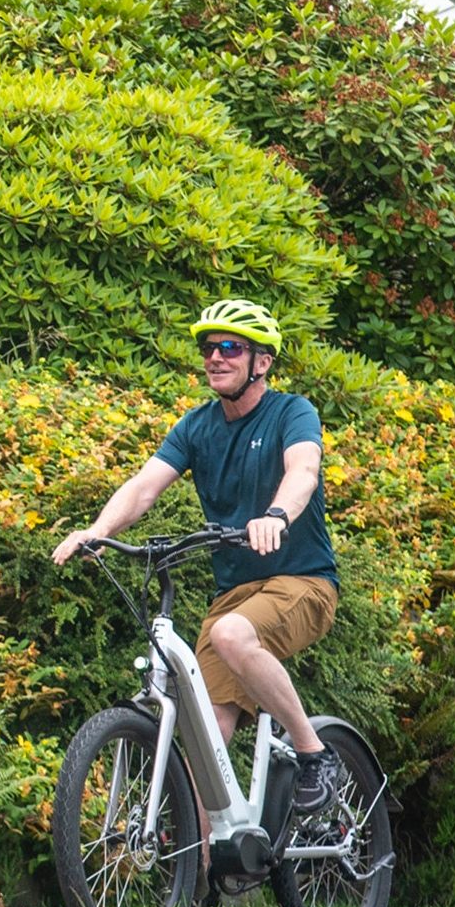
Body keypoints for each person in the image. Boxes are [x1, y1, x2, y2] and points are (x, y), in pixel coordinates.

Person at [50, 299, 342, 812]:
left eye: (231, 347)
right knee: (206, 755)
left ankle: (314, 754)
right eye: (209, 347)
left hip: (301, 583)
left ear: (262, 362)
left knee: (230, 633)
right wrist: (96, 530)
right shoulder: (197, 426)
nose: (215, 357)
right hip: (233, 594)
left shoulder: (291, 412)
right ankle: (203, 884)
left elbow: (303, 472)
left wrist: (276, 515)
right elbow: (144, 488)